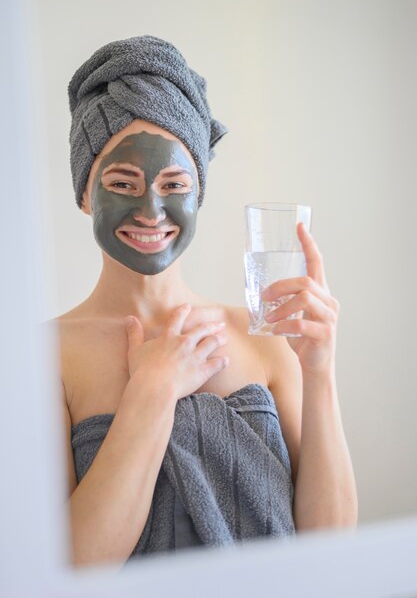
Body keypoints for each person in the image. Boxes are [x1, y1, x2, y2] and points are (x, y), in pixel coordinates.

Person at [54, 35, 357, 569]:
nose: (152, 210)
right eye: (123, 182)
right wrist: (152, 392)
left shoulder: (264, 335)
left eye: (176, 183)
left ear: (199, 194)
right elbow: (73, 565)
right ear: (84, 193)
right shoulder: (43, 357)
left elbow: (330, 547)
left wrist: (321, 372)